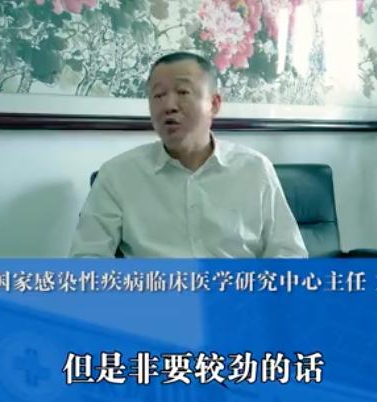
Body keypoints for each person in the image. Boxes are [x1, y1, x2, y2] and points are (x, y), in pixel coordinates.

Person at [69, 52, 307, 258]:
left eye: (183, 91)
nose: (168, 106)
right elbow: (87, 259)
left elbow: (289, 254)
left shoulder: (254, 169)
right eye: (158, 95)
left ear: (214, 104)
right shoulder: (118, 175)